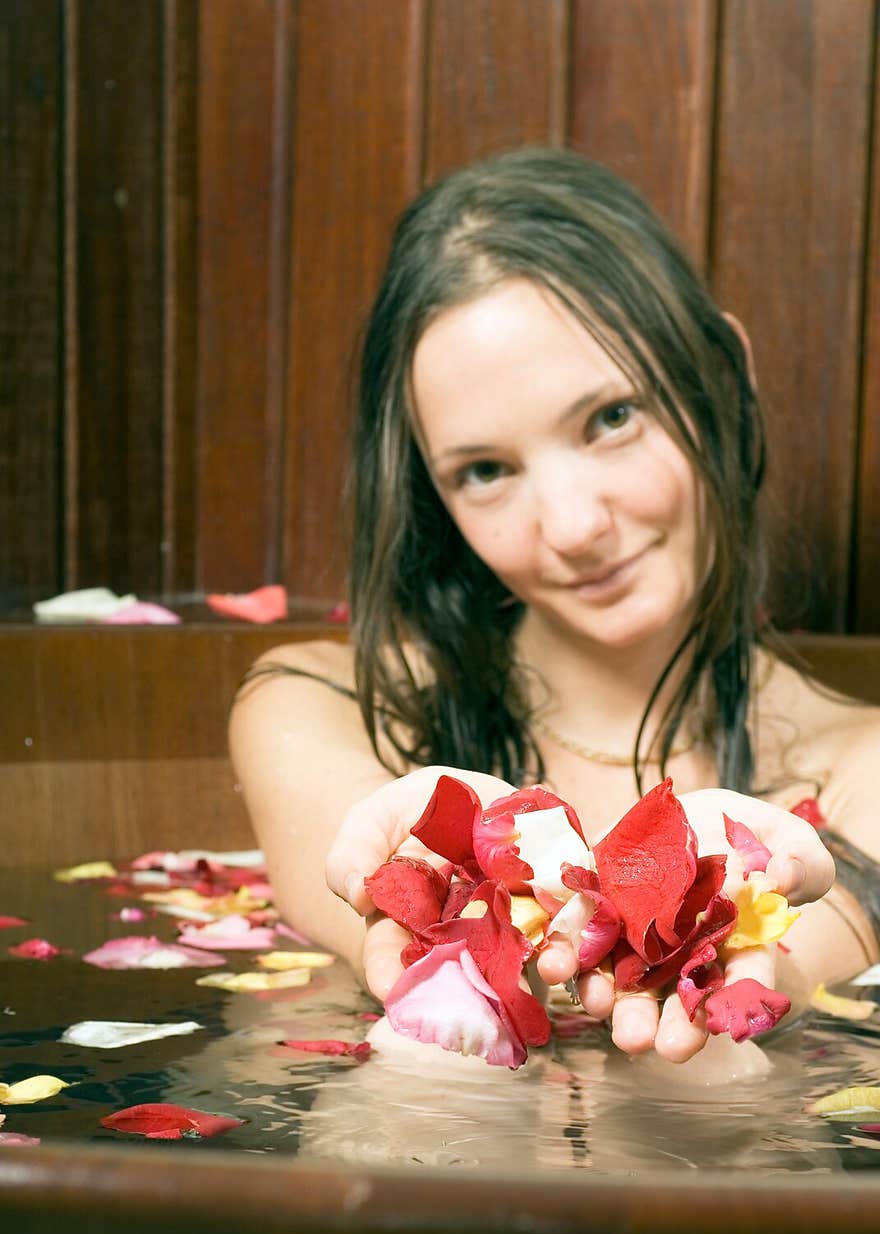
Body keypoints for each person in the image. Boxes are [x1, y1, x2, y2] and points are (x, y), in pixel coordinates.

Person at [229, 146, 879, 1067]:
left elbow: (730, 1071)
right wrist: (452, 872)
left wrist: (720, 942)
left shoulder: (869, 772)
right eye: (486, 470)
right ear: (435, 497)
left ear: (725, 380)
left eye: (612, 418)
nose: (572, 526)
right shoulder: (321, 713)